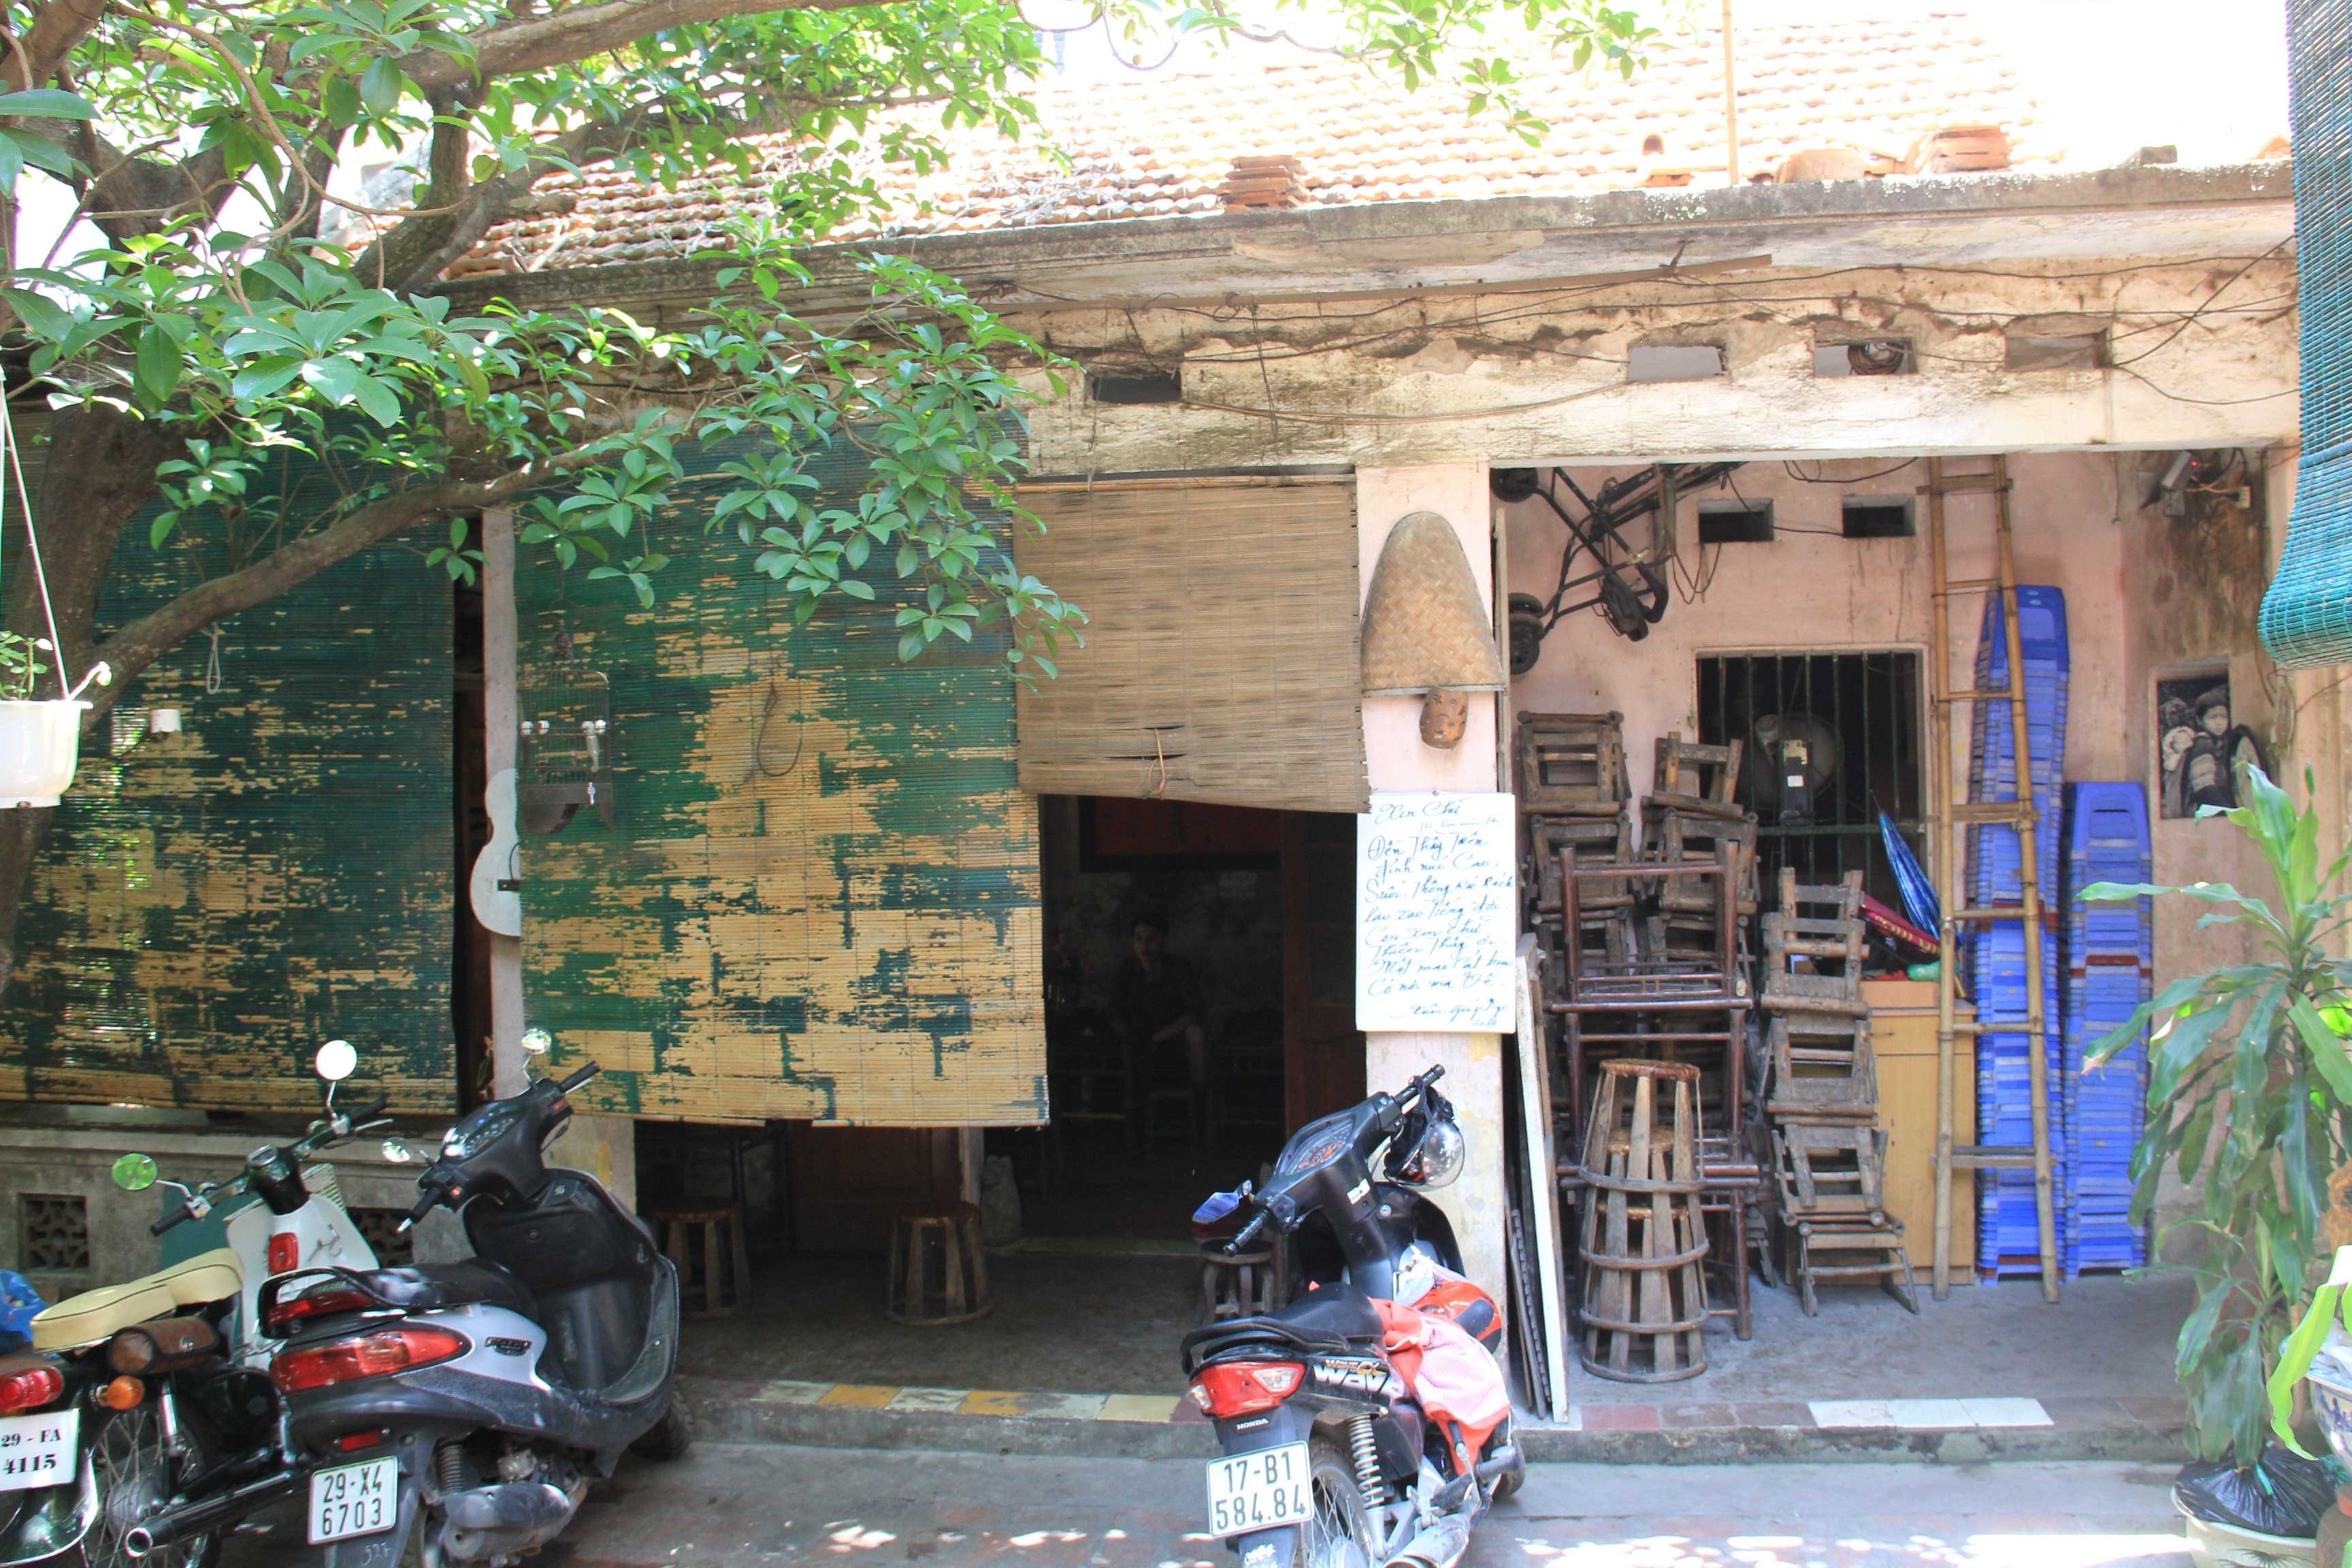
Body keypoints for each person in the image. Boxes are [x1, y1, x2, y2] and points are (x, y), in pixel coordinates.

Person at [1116, 913, 1207, 1094]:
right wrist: (1129, 1035)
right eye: (1138, 939)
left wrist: (1158, 1038)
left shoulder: (1179, 967)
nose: (1144, 946)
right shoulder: (1128, 969)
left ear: (1163, 941)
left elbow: (1194, 1011)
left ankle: (1199, 1097)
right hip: (1138, 1036)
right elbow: (1116, 1009)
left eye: (1151, 939)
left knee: (1195, 1032)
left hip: (1173, 1035)